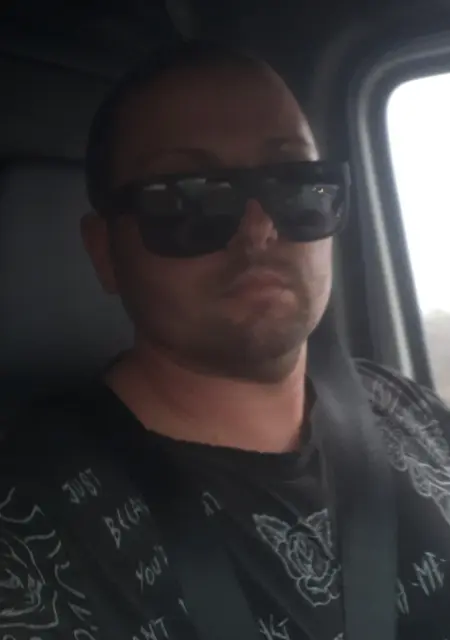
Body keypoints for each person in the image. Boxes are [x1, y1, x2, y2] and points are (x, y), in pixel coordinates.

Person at [1, 40, 450, 640]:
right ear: (105, 252)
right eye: (188, 198)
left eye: (295, 184)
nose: (259, 229)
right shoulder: (31, 537)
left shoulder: (403, 404)